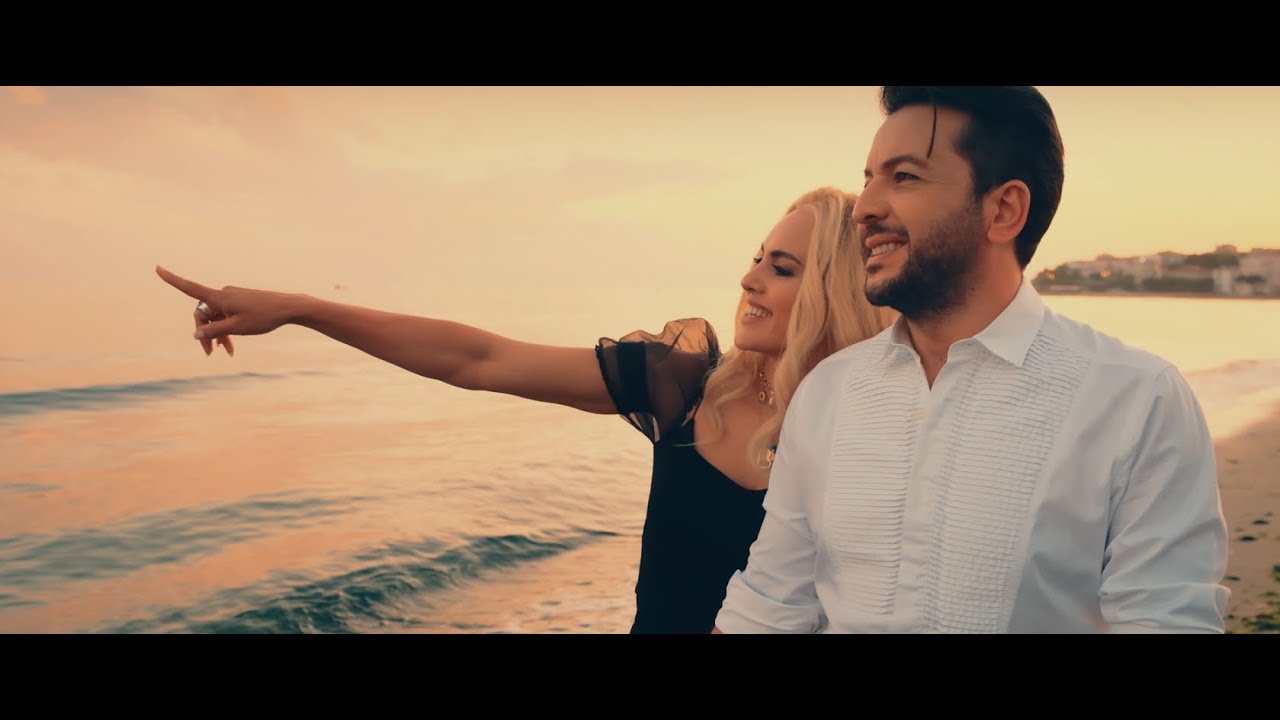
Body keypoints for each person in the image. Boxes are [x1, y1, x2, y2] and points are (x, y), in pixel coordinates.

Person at [155, 186, 891, 634]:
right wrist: (303, 309)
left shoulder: (869, 432)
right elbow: (480, 360)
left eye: (781, 269)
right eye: (757, 257)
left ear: (833, 293)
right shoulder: (684, 384)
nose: (749, 278)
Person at [715, 87, 1231, 634]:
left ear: (1004, 210)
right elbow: (768, 606)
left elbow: (1165, 619)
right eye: (868, 180)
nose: (864, 208)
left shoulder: (1136, 399)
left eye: (903, 177)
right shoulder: (829, 391)